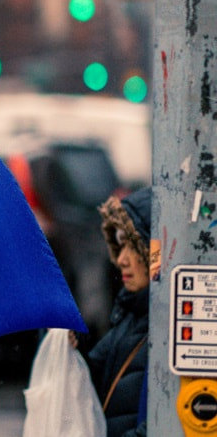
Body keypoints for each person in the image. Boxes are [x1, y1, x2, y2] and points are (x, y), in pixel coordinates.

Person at [83, 187, 151, 437]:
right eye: (119, 247)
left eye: (131, 246)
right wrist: (72, 343)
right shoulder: (131, 314)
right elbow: (90, 376)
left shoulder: (172, 329)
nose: (121, 259)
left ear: (154, 250)